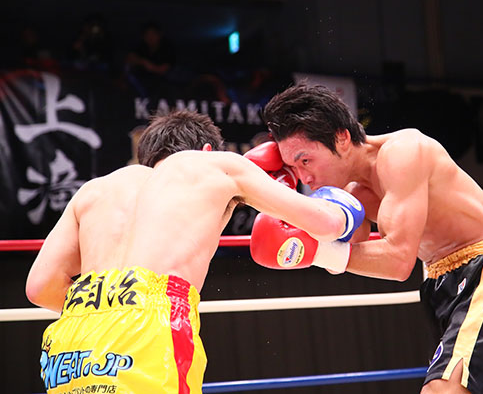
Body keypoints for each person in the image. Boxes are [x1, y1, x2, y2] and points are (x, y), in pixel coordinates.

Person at [25, 109, 364, 394]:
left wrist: (110, 303)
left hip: (73, 339)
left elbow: (40, 288)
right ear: (207, 149)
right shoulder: (213, 166)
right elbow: (326, 224)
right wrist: (341, 206)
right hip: (151, 324)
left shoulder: (95, 189)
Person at [257, 83, 483, 394]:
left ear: (341, 138)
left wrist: (314, 251)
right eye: (294, 168)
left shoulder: (402, 154)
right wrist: (278, 197)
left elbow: (398, 262)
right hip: (441, 285)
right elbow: (340, 257)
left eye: (305, 161)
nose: (304, 178)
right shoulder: (351, 196)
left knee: (441, 391)